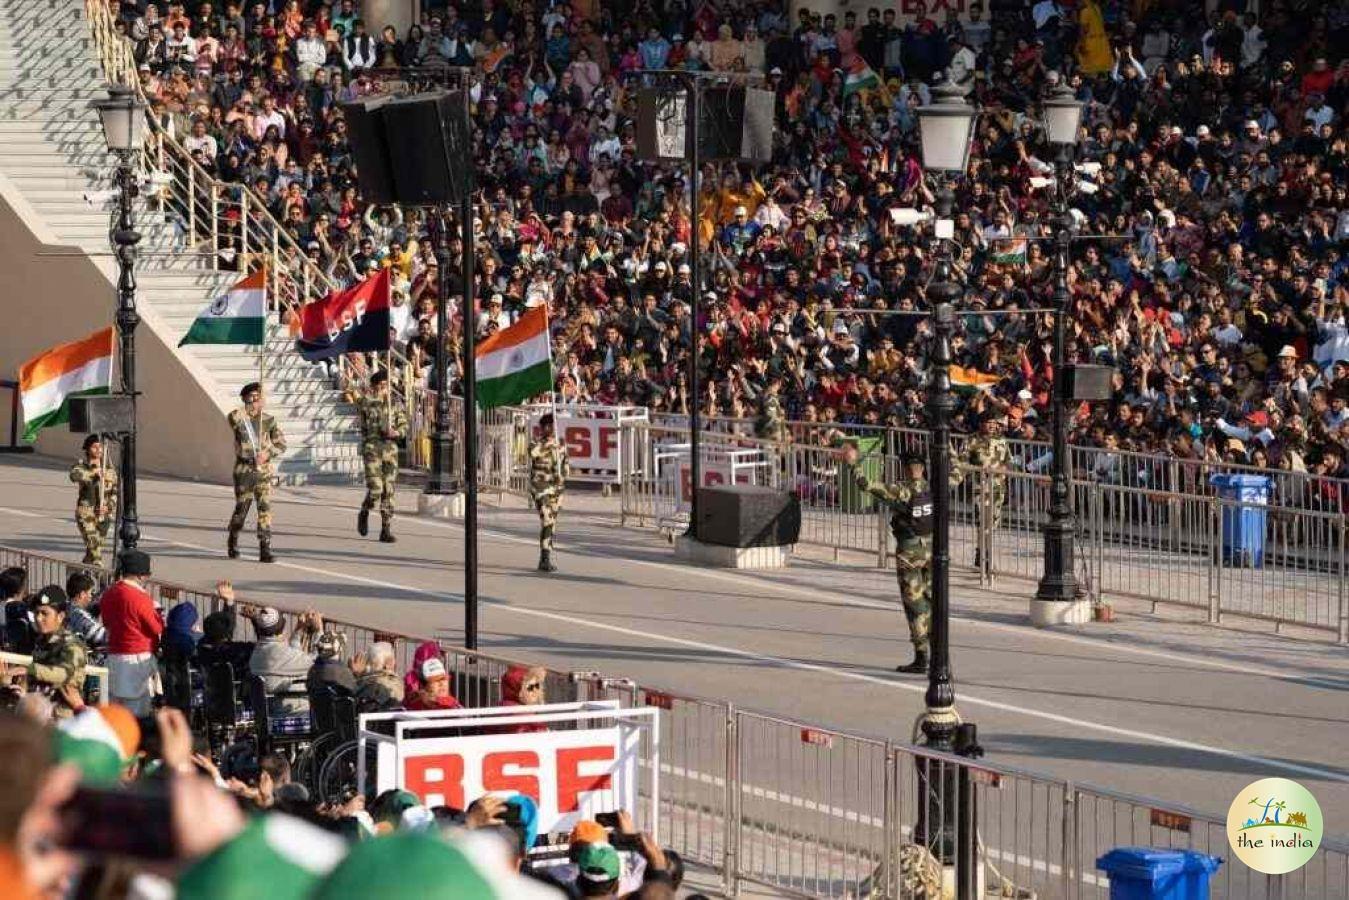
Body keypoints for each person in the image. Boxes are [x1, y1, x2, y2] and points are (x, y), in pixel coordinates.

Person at [849, 448, 934, 674]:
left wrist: (853, 463)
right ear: (923, 468)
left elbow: (866, 484)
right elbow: (956, 473)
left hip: (909, 551)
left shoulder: (902, 491)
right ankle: (938, 652)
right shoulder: (932, 487)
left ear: (904, 468)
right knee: (931, 601)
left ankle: (922, 656)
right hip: (932, 549)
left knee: (914, 605)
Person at [226, 381, 286, 563]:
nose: (258, 400)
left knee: (264, 508)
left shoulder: (268, 420)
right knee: (241, 509)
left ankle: (265, 547)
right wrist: (249, 406)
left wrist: (267, 453)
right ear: (247, 398)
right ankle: (233, 536)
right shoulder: (238, 417)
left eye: (259, 397)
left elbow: (281, 444)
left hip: (263, 471)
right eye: (254, 397)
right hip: (244, 470)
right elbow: (234, 418)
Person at [99, 550, 163, 715]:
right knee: (137, 711)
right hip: (136, 658)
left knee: (114, 709)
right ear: (142, 575)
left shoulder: (109, 593)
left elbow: (106, 622)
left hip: (114, 656)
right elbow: (156, 628)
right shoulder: (140, 598)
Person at [349, 370, 408, 543]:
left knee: (388, 491)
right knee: (376, 489)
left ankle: (385, 528)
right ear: (374, 387)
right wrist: (351, 380)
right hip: (372, 449)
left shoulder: (395, 405)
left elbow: (404, 426)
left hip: (390, 450)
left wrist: (396, 432)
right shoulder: (367, 403)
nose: (384, 388)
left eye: (386, 385)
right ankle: (365, 510)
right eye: (381, 385)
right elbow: (353, 395)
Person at [957, 414, 1011, 567]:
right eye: (989, 422)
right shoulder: (971, 440)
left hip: (998, 487)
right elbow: (962, 463)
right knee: (982, 521)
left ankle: (982, 551)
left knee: (993, 523)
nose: (992, 425)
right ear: (981, 424)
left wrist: (1003, 469)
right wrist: (979, 469)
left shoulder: (1001, 440)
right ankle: (985, 556)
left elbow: (1008, 461)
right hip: (979, 487)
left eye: (994, 422)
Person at [26, 586, 87, 719]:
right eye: (36, 613)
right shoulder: (41, 641)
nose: (38, 618)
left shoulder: (72, 644)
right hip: (40, 714)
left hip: (61, 717)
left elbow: (64, 674)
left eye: (44, 613)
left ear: (60, 616)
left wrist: (29, 670)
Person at [247, 607, 320, 715]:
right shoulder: (278, 654)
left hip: (270, 709)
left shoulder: (258, 652)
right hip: (295, 710)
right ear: (281, 630)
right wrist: (318, 631)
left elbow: (293, 655)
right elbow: (317, 660)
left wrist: (298, 630)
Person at [528, 412, 569, 573]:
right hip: (540, 486)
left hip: (556, 488)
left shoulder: (561, 443)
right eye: (545, 426)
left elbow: (566, 465)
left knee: (551, 524)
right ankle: (544, 559)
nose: (548, 429)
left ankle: (545, 558)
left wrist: (563, 476)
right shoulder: (535, 442)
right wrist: (549, 445)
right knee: (546, 519)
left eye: (550, 426)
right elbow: (533, 453)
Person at [68, 434, 118, 566]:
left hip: (103, 515)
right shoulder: (82, 467)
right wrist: (93, 473)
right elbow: (74, 476)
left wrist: (109, 507)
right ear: (87, 449)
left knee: (93, 551)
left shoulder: (109, 470)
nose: (98, 450)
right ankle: (101, 574)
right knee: (95, 548)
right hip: (87, 512)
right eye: (94, 447)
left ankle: (80, 573)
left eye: (100, 447)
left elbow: (115, 492)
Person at [351, 640, 403, 712]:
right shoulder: (393, 683)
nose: (395, 662)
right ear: (388, 663)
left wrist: (357, 676)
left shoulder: (365, 683)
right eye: (393, 659)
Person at [63, 572, 106, 649]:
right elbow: (101, 636)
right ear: (82, 594)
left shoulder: (66, 608)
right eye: (90, 593)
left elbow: (94, 607)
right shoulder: (78, 615)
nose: (91, 596)